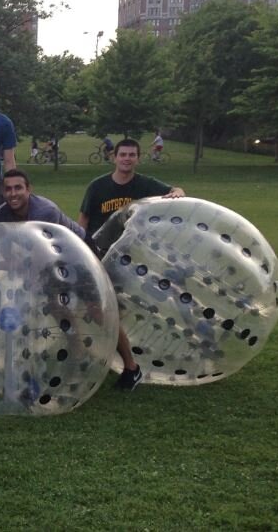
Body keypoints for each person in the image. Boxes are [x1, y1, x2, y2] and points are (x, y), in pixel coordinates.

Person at [78, 138, 185, 390]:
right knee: (98, 308)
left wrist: (177, 193)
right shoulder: (98, 186)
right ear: (114, 157)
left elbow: (176, 191)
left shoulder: (145, 185)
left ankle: (128, 365)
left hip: (131, 259)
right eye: (122, 154)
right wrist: (80, 250)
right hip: (98, 254)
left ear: (138, 158)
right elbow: (82, 220)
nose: (126, 159)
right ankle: (111, 359)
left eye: (131, 155)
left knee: (113, 309)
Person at [0, 169, 86, 239]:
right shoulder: (0, 214)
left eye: (18, 188)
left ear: (29, 189)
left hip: (79, 245)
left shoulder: (45, 212)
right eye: (8, 189)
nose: (13, 194)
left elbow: (44, 251)